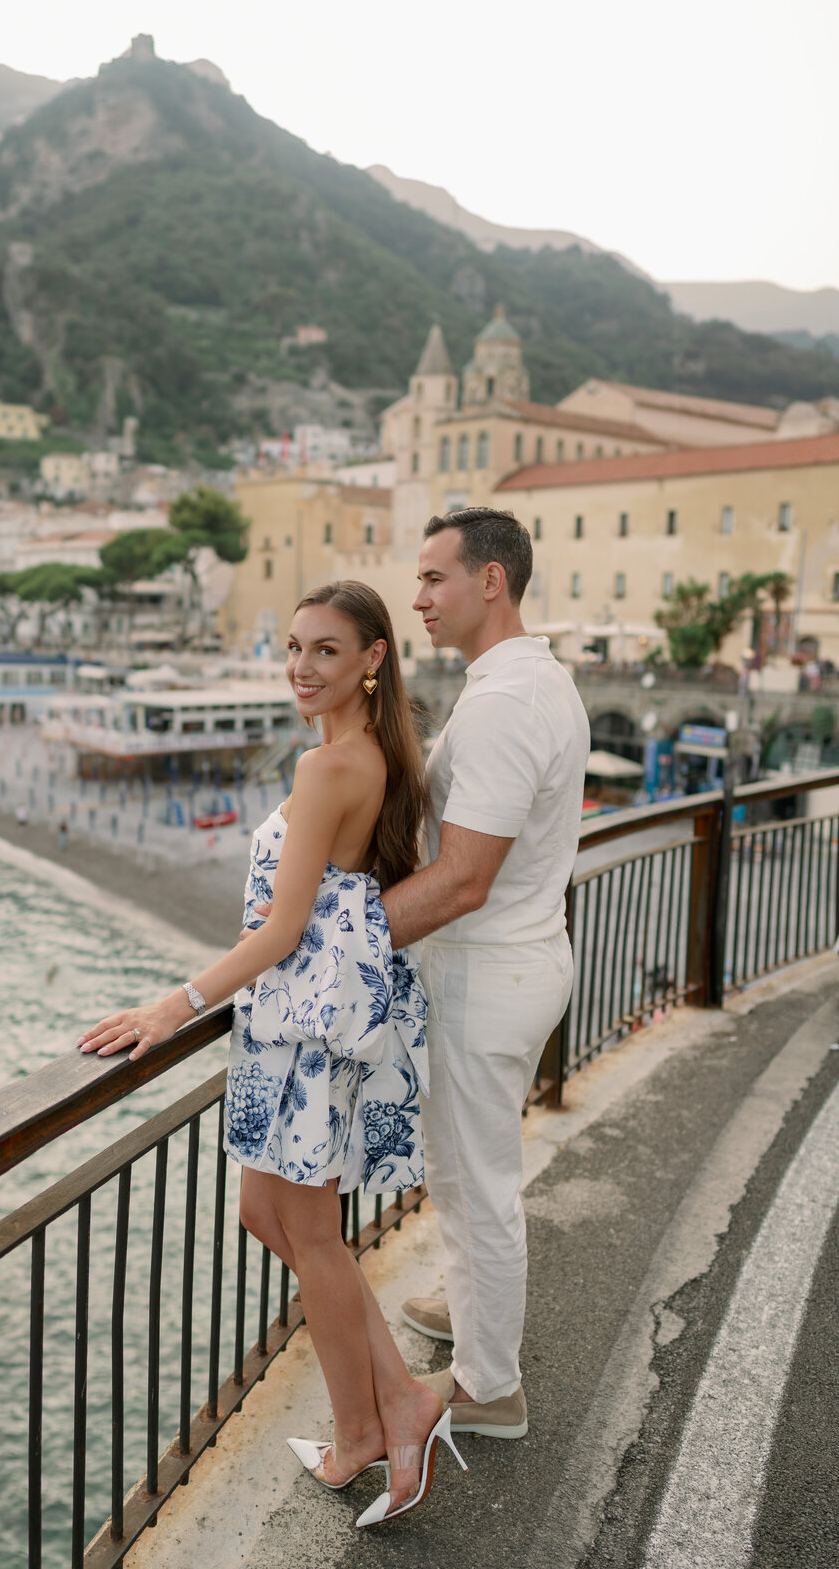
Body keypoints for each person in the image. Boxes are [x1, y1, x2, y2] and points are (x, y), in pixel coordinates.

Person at [78, 582, 467, 1526]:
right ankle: (406, 1401)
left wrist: (173, 1006)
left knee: (315, 1237)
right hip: (295, 1025)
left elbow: (286, 926)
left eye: (326, 651)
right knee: (269, 1214)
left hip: (297, 1029)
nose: (301, 667)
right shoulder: (367, 755)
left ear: (374, 658)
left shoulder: (327, 767)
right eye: (294, 648)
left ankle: (364, 1431)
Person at [381, 508, 589, 1440]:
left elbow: (464, 879)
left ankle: (491, 1388)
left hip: (486, 972)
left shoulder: (505, 702)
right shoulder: (527, 680)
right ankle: (472, 1312)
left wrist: (335, 942)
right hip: (518, 959)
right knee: (468, 1170)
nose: (417, 597)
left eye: (435, 579)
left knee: (475, 1182)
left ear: (491, 580)